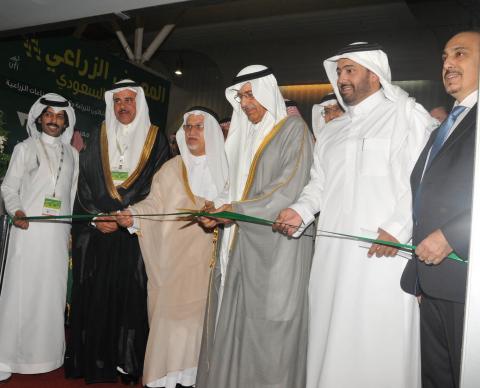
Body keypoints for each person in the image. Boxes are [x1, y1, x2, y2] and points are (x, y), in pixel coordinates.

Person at [275, 42, 437, 388]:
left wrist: (397, 229)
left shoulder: (406, 116)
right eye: (339, 71)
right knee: (330, 335)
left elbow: (421, 180)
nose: (341, 78)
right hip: (332, 256)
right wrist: (299, 211)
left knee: (377, 342)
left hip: (382, 253)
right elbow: (319, 185)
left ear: (374, 76)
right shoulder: (332, 131)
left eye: (350, 70)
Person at [196, 65, 315, 388]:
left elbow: (287, 189)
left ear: (267, 92)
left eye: (250, 94)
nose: (245, 103)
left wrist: (233, 211)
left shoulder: (293, 131)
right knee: (231, 323)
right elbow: (230, 187)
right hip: (235, 243)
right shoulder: (241, 137)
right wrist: (215, 209)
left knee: (269, 331)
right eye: (240, 96)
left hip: (276, 248)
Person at [65, 79, 170, 384]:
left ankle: (128, 363)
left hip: (135, 234)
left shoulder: (156, 139)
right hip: (100, 233)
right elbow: (84, 183)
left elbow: (159, 187)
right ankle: (95, 362)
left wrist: (131, 215)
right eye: (118, 101)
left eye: (129, 100)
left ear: (139, 103)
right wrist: (97, 218)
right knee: (97, 298)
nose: (123, 107)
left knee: (132, 299)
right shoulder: (98, 136)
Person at [116, 106, 228, 388]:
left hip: (206, 262)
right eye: (188, 127)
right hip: (170, 263)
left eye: (199, 127)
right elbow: (153, 204)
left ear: (212, 132)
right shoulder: (171, 167)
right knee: (168, 324)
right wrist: (133, 214)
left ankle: (192, 379)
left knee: (196, 326)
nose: (191, 132)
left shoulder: (228, 170)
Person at [401, 30, 480, 388]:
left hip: (468, 278)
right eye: (445, 57)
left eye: (460, 54)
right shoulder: (446, 126)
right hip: (433, 280)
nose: (448, 63)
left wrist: (451, 237)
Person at [0, 93, 78, 382]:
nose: (53, 120)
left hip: (57, 237)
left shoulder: (73, 154)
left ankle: (45, 356)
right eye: (48, 115)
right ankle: (5, 356)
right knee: (19, 293)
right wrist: (16, 210)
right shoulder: (25, 148)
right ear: (39, 118)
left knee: (51, 296)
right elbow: (9, 187)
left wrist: (69, 230)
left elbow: (70, 195)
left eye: (59, 116)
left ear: (66, 121)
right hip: (27, 231)